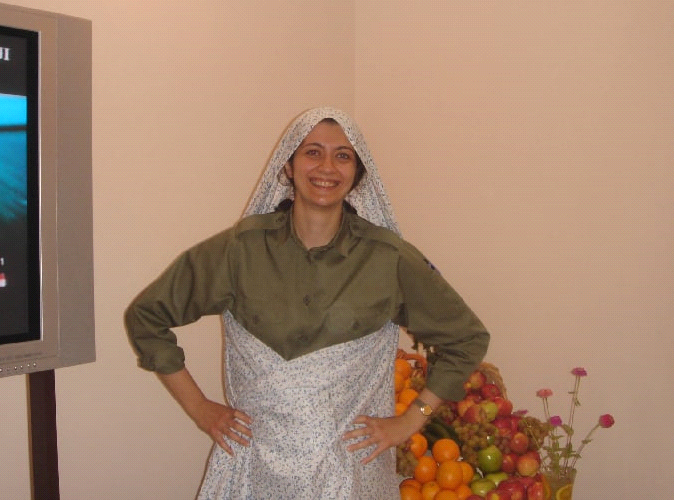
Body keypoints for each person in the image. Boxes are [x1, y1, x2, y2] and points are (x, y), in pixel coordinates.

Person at [125, 107, 489, 499]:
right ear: (288, 165)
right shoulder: (240, 250)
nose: (327, 167)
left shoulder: (389, 258)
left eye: (342, 155)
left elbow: (466, 338)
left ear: (357, 173)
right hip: (253, 473)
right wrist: (200, 409)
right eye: (312, 152)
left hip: (351, 477)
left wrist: (411, 420)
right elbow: (146, 317)